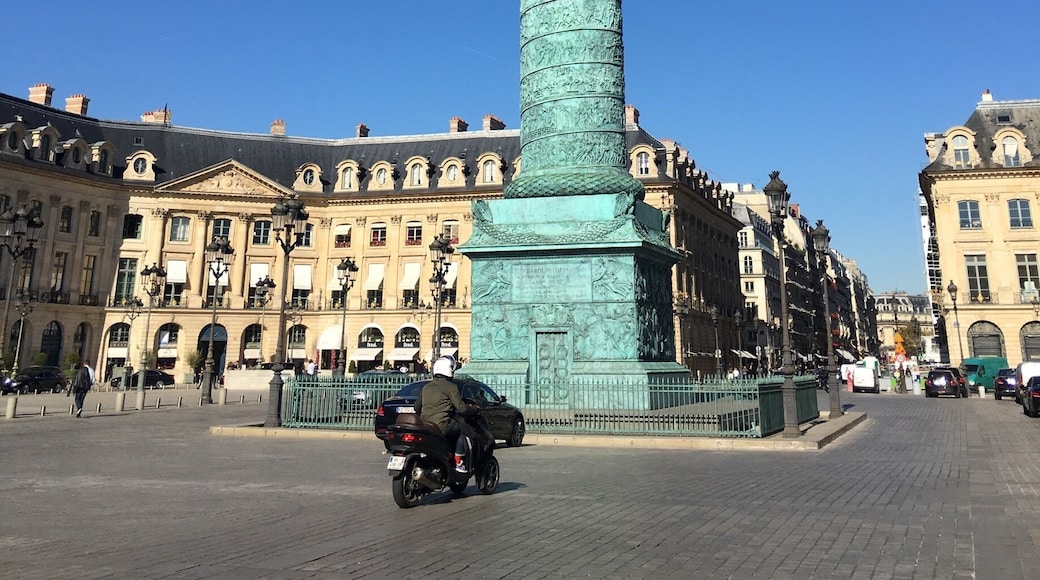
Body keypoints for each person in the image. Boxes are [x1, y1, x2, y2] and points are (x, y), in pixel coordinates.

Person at [414, 356, 473, 473]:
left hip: (425, 425)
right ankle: (458, 461)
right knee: (462, 428)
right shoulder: (451, 387)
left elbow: (416, 407)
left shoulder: (426, 386)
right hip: (441, 425)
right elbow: (461, 408)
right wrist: (472, 409)